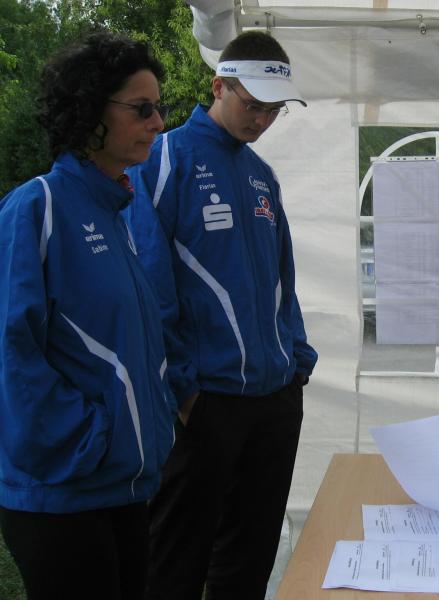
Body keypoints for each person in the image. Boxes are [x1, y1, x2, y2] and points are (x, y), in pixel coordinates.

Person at [125, 30, 317, 600]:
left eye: (274, 110)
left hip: (275, 398)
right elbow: (150, 282)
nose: (262, 120)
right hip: (205, 400)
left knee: (250, 559)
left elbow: (283, 278)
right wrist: (184, 391)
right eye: (252, 104)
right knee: (176, 562)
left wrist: (297, 361)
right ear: (218, 86)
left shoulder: (262, 174)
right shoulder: (163, 159)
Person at [0, 31, 175, 600]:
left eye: (159, 108)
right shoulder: (37, 208)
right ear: (90, 111)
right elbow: (10, 354)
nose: (158, 123)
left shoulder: (116, 213)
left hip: (122, 485)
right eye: (142, 109)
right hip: (62, 495)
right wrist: (88, 439)